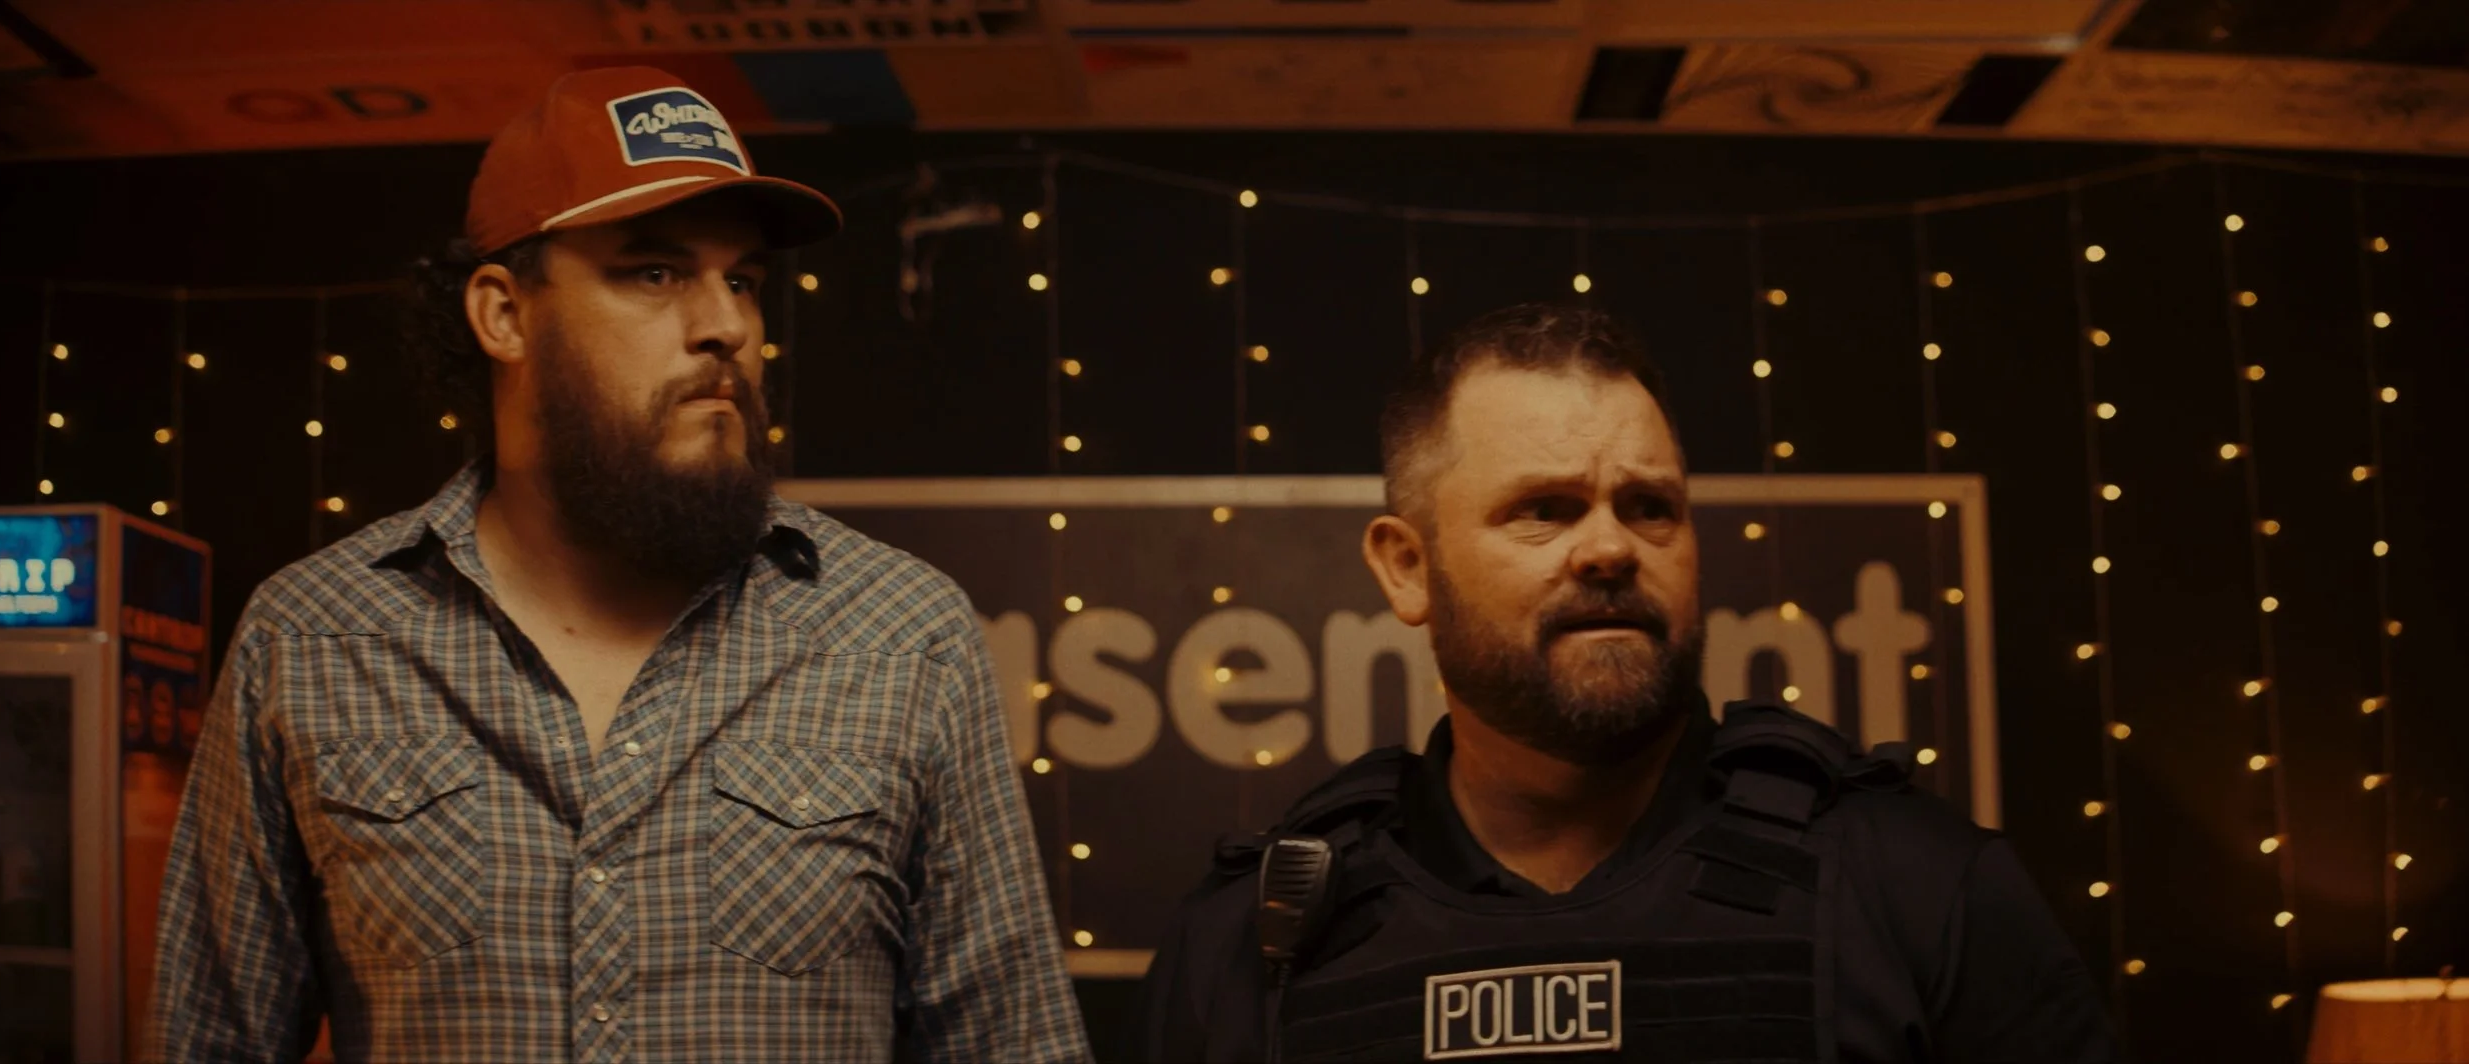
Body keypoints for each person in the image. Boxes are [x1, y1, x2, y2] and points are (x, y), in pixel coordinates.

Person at [147, 67, 1090, 1063]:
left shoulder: (901, 632)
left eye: (742, 280)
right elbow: (206, 1037)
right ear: (504, 314)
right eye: (654, 272)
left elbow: (1011, 1041)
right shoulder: (311, 636)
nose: (725, 323)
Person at [1135, 304, 2115, 1063]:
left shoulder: (1915, 883)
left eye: (1649, 505)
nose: (1608, 546)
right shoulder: (1253, 936)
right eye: (1544, 509)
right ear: (1406, 567)